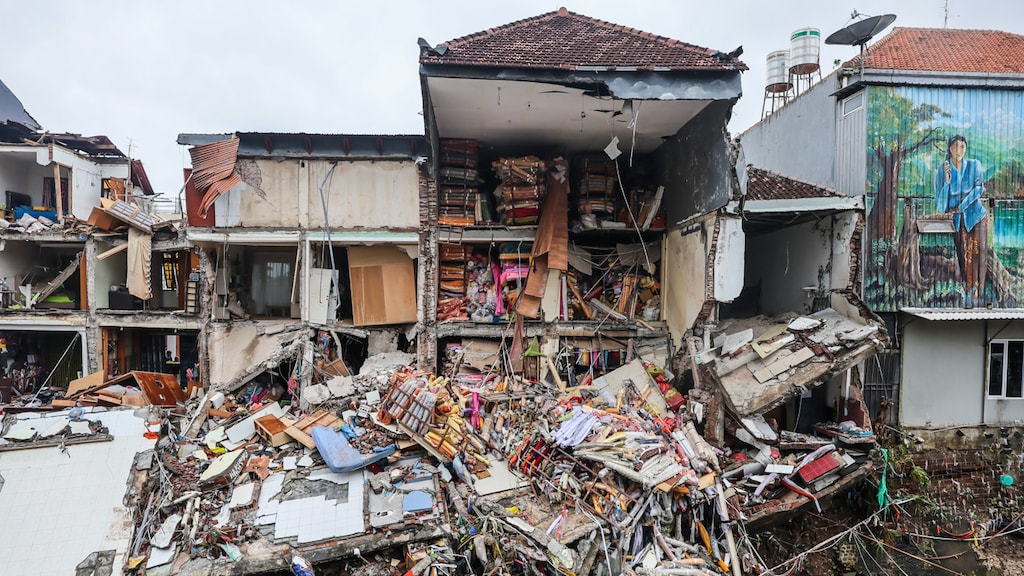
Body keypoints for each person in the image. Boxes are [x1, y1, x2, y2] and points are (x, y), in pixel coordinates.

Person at [934, 134, 988, 308]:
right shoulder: (941, 171)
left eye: (962, 147)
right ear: (950, 148)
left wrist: (962, 205)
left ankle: (979, 294)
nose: (959, 150)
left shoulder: (974, 165)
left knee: (979, 256)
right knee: (963, 257)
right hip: (957, 220)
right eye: (956, 146)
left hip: (976, 216)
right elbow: (941, 205)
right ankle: (968, 293)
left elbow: (979, 188)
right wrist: (948, 182)